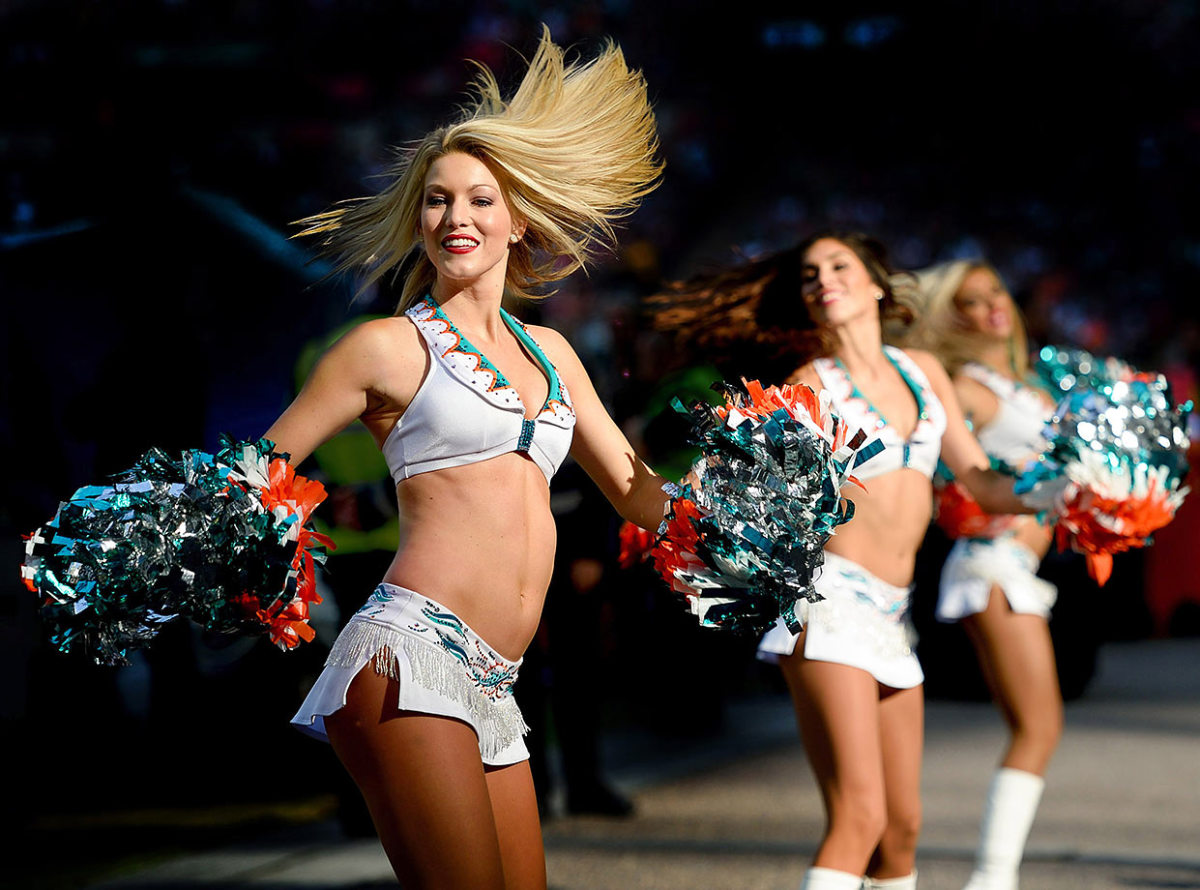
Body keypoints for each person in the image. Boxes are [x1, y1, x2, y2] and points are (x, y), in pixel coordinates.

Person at [273, 29, 668, 890]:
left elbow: (644, 499)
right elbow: (258, 472)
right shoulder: (384, 348)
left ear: (518, 216)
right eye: (439, 201)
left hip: (498, 681)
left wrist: (759, 505)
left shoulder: (556, 355)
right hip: (408, 655)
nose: (458, 219)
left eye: (481, 200)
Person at [653, 232, 1039, 890]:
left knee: (903, 829)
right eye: (809, 274)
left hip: (893, 614)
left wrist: (1066, 486)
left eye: (838, 266)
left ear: (877, 285)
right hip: (830, 604)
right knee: (860, 818)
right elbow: (764, 489)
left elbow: (981, 481)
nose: (822, 279)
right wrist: (714, 489)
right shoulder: (811, 384)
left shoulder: (924, 371)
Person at [907, 260, 1060, 890]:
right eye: (967, 302)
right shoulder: (964, 384)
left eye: (993, 292)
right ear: (949, 316)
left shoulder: (1028, 380)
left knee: (1037, 726)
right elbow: (947, 461)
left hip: (1020, 565)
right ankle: (993, 879)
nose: (988, 307)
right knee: (1038, 727)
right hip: (992, 565)